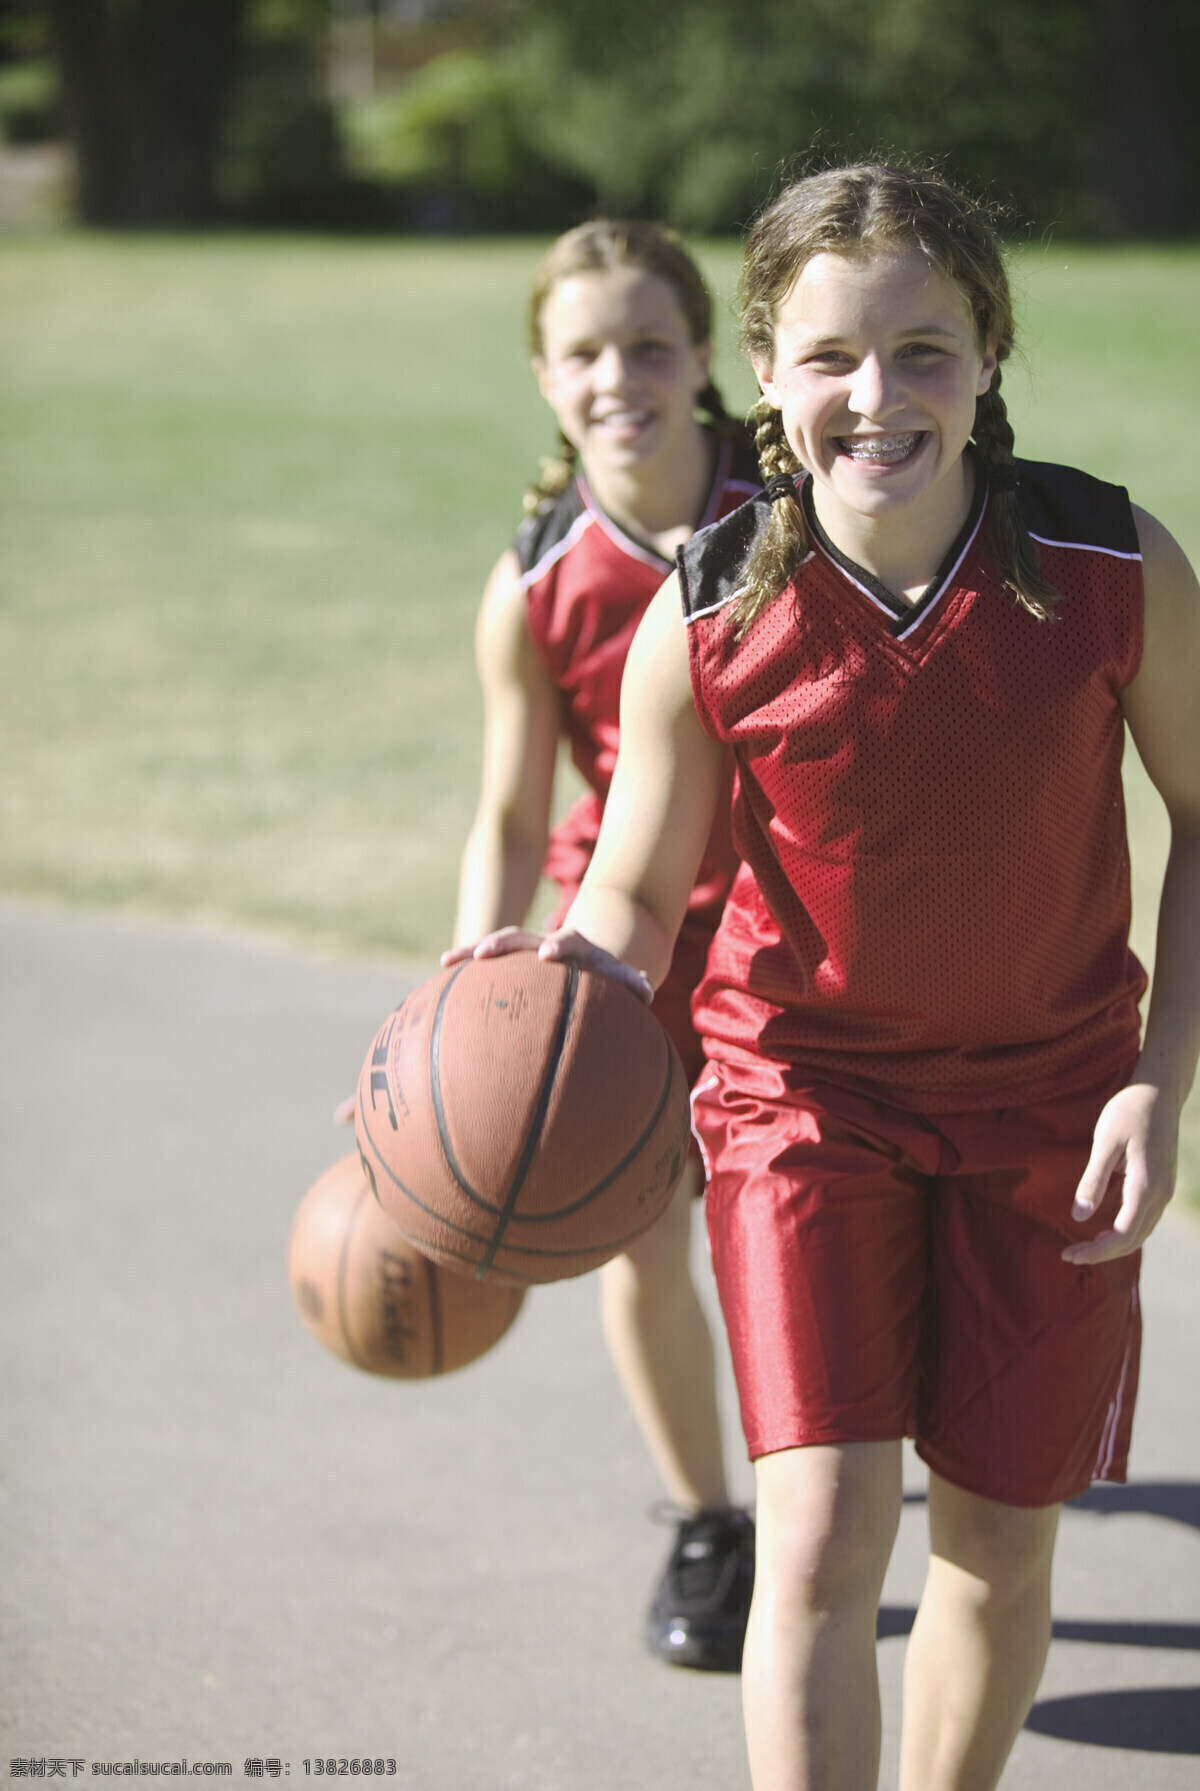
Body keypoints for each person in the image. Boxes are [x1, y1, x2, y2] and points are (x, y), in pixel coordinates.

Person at [447, 163, 1200, 1789]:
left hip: (1053, 1111)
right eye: (832, 358)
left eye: (926, 349)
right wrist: (554, 983)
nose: (880, 396)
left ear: (993, 352)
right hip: (802, 1102)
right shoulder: (707, 609)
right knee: (822, 1541)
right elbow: (638, 889)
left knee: (1001, 1543)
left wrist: (1158, 1078)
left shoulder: (1112, 561)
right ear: (770, 385)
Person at [452, 219, 761, 1670]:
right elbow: (513, 813)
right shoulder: (535, 580)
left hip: (795, 921)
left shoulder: (800, 502)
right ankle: (712, 1523)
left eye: (650, 343)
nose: (619, 374)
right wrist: (475, 984)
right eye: (585, 350)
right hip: (620, 936)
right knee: (642, 1240)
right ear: (542, 375)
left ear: (707, 358)